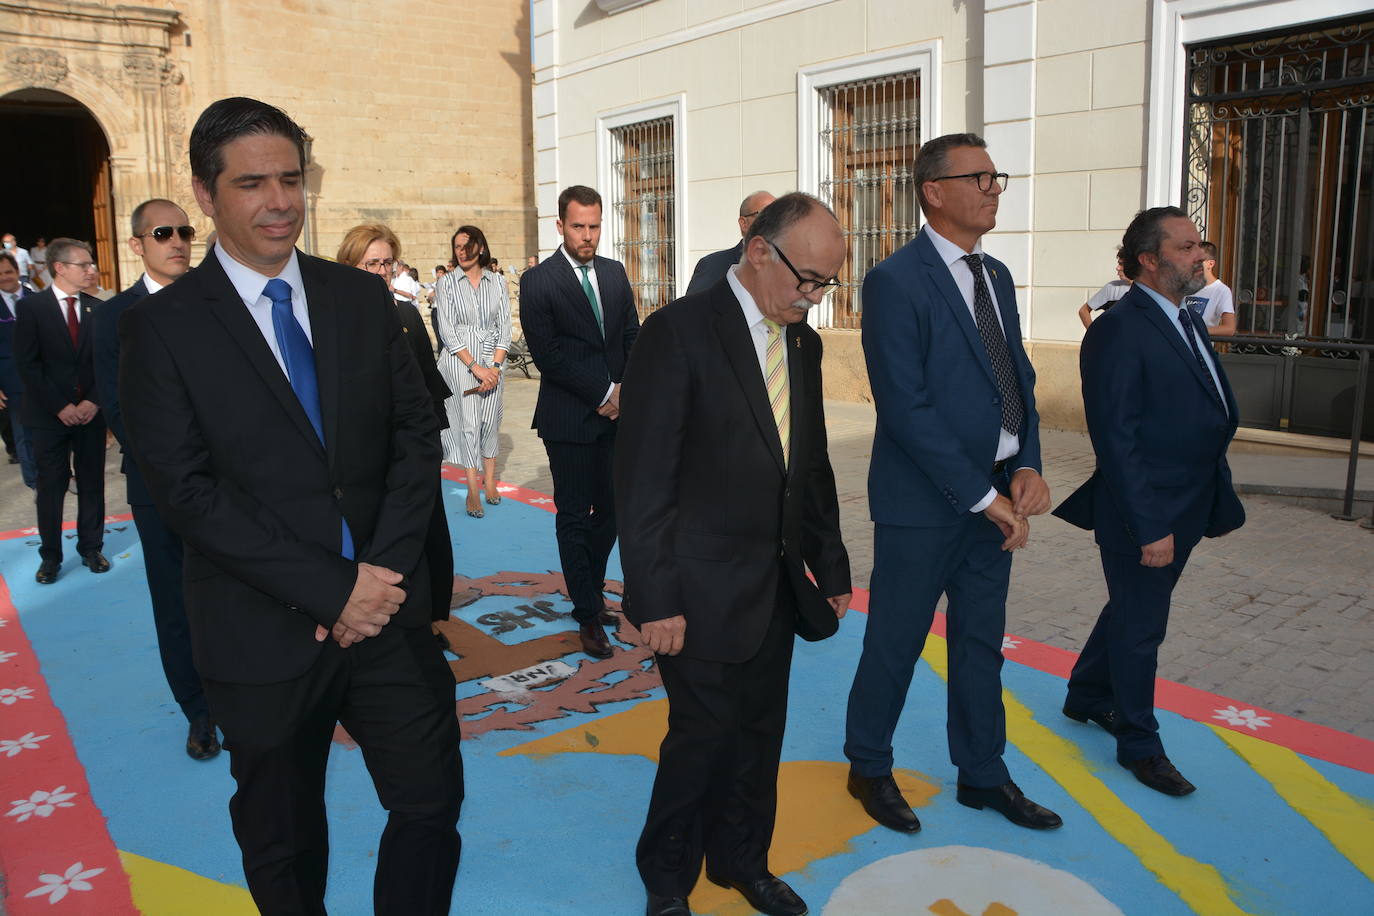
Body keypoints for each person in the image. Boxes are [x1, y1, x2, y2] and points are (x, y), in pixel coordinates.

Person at [117, 97, 462, 915]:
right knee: (284, 839)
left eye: (290, 179)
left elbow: (415, 441)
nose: (279, 201)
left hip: (386, 613)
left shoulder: (360, 298)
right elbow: (187, 494)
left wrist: (371, 580)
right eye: (251, 184)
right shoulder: (159, 331)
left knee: (429, 803)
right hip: (262, 629)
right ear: (205, 194)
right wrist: (327, 587)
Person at [617, 192, 852, 916]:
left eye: (826, 285)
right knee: (701, 740)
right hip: (695, 590)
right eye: (806, 279)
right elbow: (644, 478)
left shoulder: (803, 345)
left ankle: (742, 860)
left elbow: (807, 463)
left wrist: (830, 562)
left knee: (759, 734)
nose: (813, 298)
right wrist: (653, 597)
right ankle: (666, 881)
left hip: (775, 585)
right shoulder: (680, 332)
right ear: (758, 250)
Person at [844, 133, 1062, 834]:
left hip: (994, 497)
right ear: (934, 190)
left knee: (979, 645)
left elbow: (1017, 379)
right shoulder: (895, 281)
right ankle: (870, 767)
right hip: (924, 506)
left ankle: (983, 774)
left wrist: (1025, 461)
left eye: (997, 176)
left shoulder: (994, 275)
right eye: (981, 178)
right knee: (896, 642)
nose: (996, 188)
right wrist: (983, 496)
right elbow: (905, 406)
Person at [1053, 206, 1245, 797]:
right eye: (1186, 247)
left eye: (1199, 246)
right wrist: (1149, 524)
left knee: (1132, 608)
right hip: (1148, 511)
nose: (1200, 256)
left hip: (1189, 499)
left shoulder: (1183, 316)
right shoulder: (1119, 327)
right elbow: (1117, 439)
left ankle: (1086, 693)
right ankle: (1139, 743)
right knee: (1142, 627)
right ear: (1149, 259)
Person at [92, 200, 218, 760]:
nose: (178, 241)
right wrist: (181, 472)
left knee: (242, 591)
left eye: (185, 231)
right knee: (175, 600)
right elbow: (120, 410)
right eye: (163, 233)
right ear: (138, 244)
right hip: (161, 487)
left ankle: (252, 697)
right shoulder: (112, 317)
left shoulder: (218, 301)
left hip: (231, 481)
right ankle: (198, 710)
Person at [520, 185, 640, 660]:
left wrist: (625, 390)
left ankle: (587, 592)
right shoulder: (539, 281)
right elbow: (548, 356)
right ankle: (589, 614)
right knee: (574, 515)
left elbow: (632, 333)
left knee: (611, 511)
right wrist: (603, 393)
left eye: (594, 227)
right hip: (568, 419)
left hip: (617, 417)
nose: (587, 236)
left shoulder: (613, 273)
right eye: (578, 227)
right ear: (560, 225)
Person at [336, 222, 455, 632]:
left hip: (413, 454)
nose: (381, 270)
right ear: (350, 265)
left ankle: (429, 618)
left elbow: (426, 382)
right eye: (371, 263)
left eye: (387, 262)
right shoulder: (335, 323)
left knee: (427, 537)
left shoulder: (406, 313)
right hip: (365, 459)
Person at [14, 237, 109, 585]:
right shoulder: (32, 308)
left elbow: (106, 362)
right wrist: (60, 406)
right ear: (60, 268)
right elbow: (28, 364)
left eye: (91, 264)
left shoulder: (98, 309)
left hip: (89, 415)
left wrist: (92, 401)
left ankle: (91, 548)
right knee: (51, 487)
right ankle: (50, 557)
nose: (91, 270)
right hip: (48, 418)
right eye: (83, 265)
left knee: (92, 483)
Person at [435, 225, 511, 519]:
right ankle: (471, 489)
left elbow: (505, 326)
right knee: (468, 423)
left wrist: (494, 365)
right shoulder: (447, 283)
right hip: (461, 361)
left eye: (468, 246)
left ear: (480, 247)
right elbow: (448, 331)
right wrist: (475, 366)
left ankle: (490, 482)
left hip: (494, 359)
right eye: (457, 247)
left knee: (490, 421)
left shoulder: (497, 282)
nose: (463, 252)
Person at [685, 190, 775, 296]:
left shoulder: (789, 266)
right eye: (766, 215)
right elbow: (693, 310)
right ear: (744, 224)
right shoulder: (713, 266)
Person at [0, 252, 37, 483]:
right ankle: (35, 483)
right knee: (23, 434)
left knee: (51, 432)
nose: (4, 277)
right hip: (11, 382)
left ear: (17, 272)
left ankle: (58, 477)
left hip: (43, 378)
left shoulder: (36, 299)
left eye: (8, 272)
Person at [1182, 240, 1236, 337]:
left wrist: (1196, 330)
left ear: (1210, 264)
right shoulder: (1184, 286)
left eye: (1198, 261)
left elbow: (1229, 328)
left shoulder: (1221, 290)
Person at [1077, 252, 1131, 328]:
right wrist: (1093, 334)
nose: (1117, 268)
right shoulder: (1112, 287)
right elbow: (1083, 311)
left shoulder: (1149, 289)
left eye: (1121, 264)